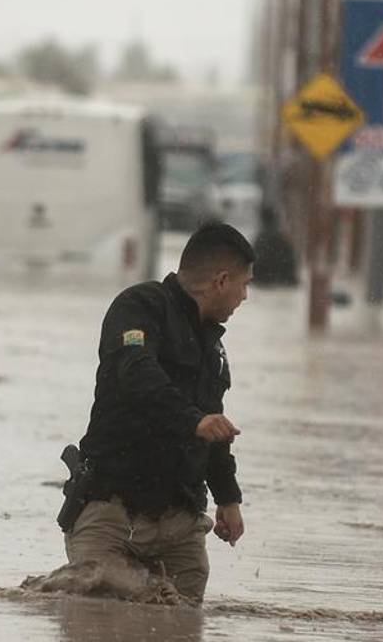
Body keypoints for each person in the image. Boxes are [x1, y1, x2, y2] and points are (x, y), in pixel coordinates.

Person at [61, 222, 254, 603]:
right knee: (94, 616)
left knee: (182, 622)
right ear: (221, 280)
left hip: (179, 524)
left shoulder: (213, 347)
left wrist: (228, 498)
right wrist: (193, 420)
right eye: (244, 285)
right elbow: (135, 372)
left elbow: (214, 427)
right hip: (112, 511)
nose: (245, 296)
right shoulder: (139, 308)